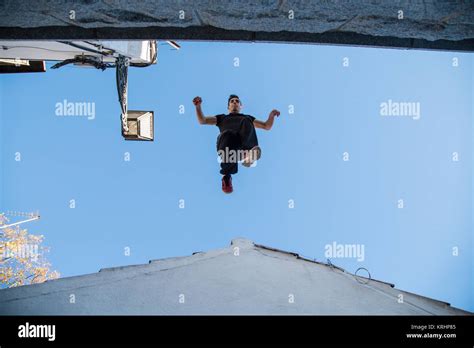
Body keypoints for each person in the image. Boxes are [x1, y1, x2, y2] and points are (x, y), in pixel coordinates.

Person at [193, 94, 280, 194]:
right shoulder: (222, 118)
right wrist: (198, 106)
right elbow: (202, 120)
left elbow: (266, 126)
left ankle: (249, 155)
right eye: (232, 101)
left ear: (240, 106)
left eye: (237, 101)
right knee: (227, 134)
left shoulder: (247, 118)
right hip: (226, 146)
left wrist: (271, 115)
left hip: (241, 148)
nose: (235, 102)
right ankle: (227, 177)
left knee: (247, 120)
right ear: (228, 107)